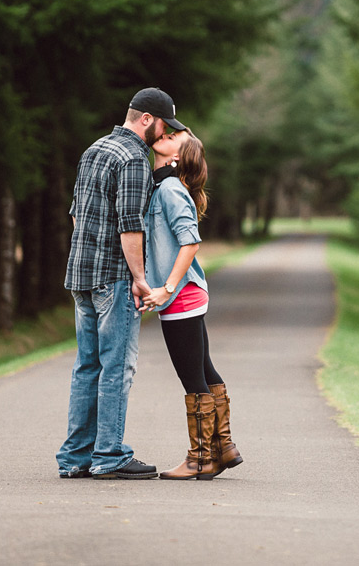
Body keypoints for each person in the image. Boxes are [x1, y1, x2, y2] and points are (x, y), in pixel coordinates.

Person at [57, 87, 187, 480]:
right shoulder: (133, 158)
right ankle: (109, 455)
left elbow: (78, 215)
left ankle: (75, 458)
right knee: (117, 367)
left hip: (81, 276)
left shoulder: (95, 149)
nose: (163, 134)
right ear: (146, 118)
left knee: (87, 366)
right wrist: (140, 279)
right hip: (113, 280)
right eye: (163, 126)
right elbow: (131, 226)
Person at [142, 129, 243, 480]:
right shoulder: (162, 186)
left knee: (193, 379)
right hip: (188, 295)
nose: (165, 136)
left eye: (174, 138)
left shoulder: (169, 190)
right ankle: (223, 448)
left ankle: (200, 459)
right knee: (203, 370)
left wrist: (166, 289)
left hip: (181, 296)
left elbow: (190, 243)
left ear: (176, 158)